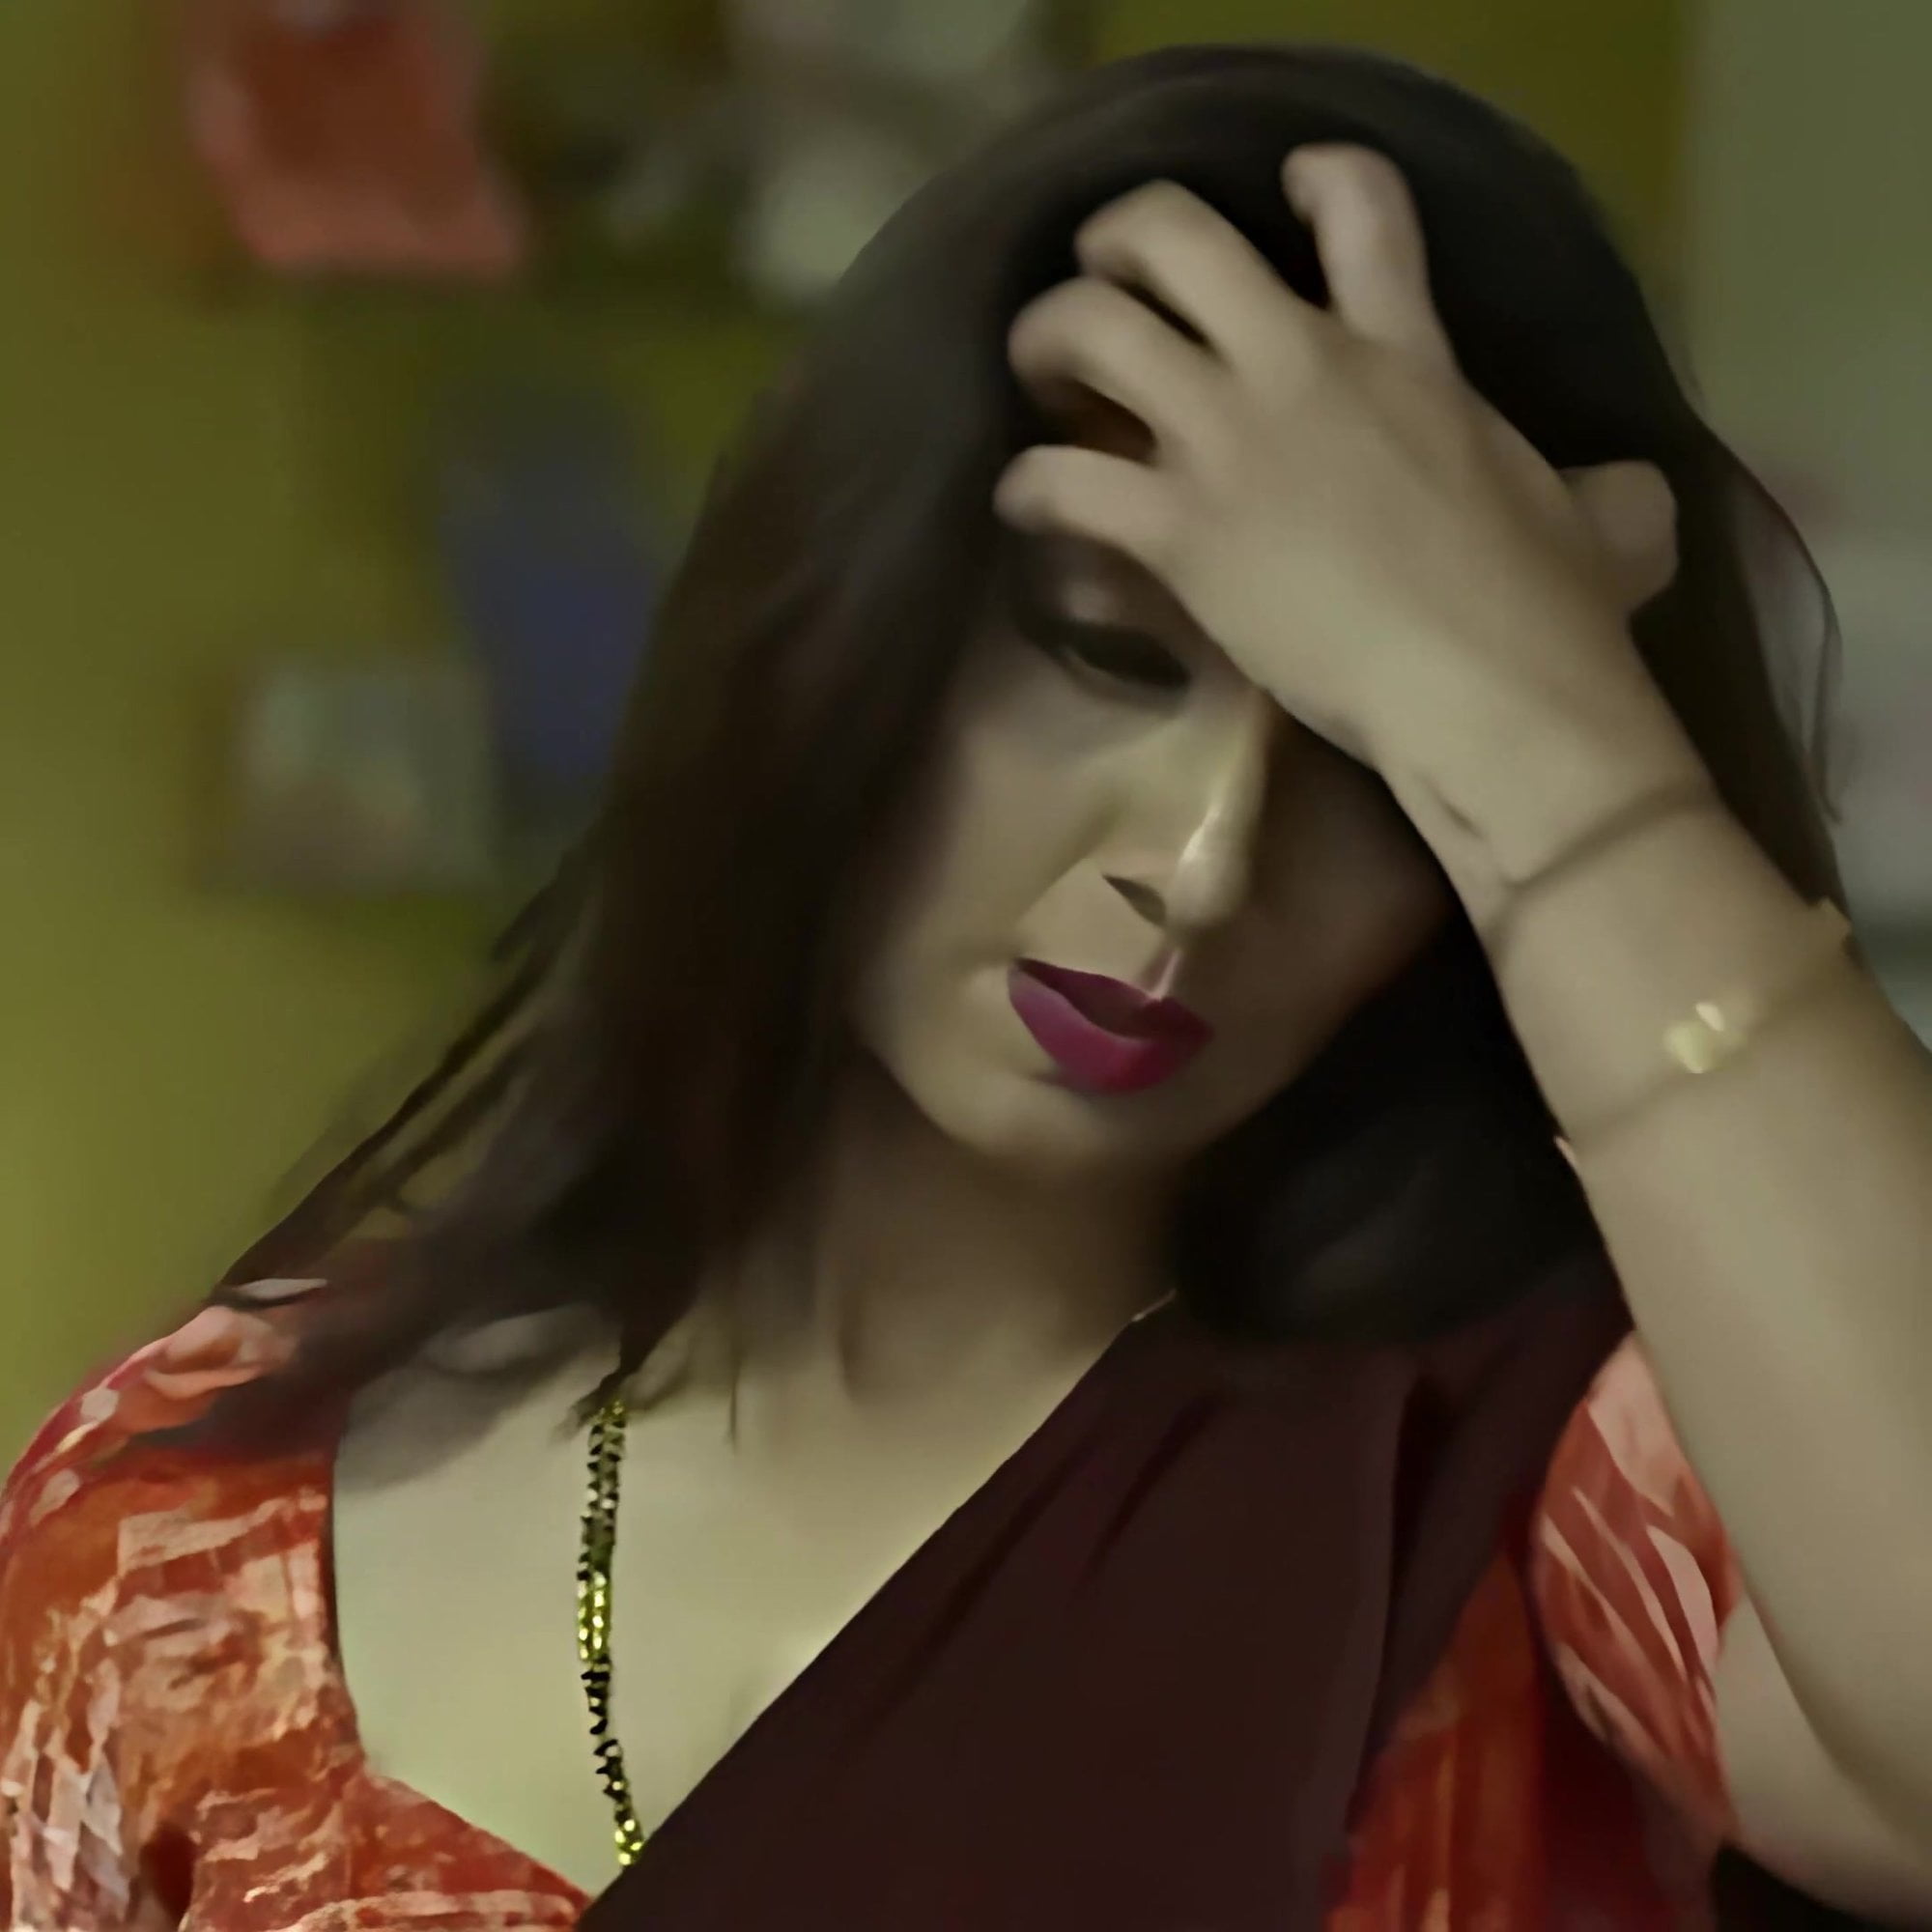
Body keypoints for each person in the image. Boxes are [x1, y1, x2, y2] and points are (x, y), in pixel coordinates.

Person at [3, 43, 1929, 1932]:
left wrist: (1539, 741)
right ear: (845, 617)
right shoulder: (189, 1524)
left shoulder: (1527, 1485)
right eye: (1104, 655)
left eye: (1371, 769)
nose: (1201, 863)